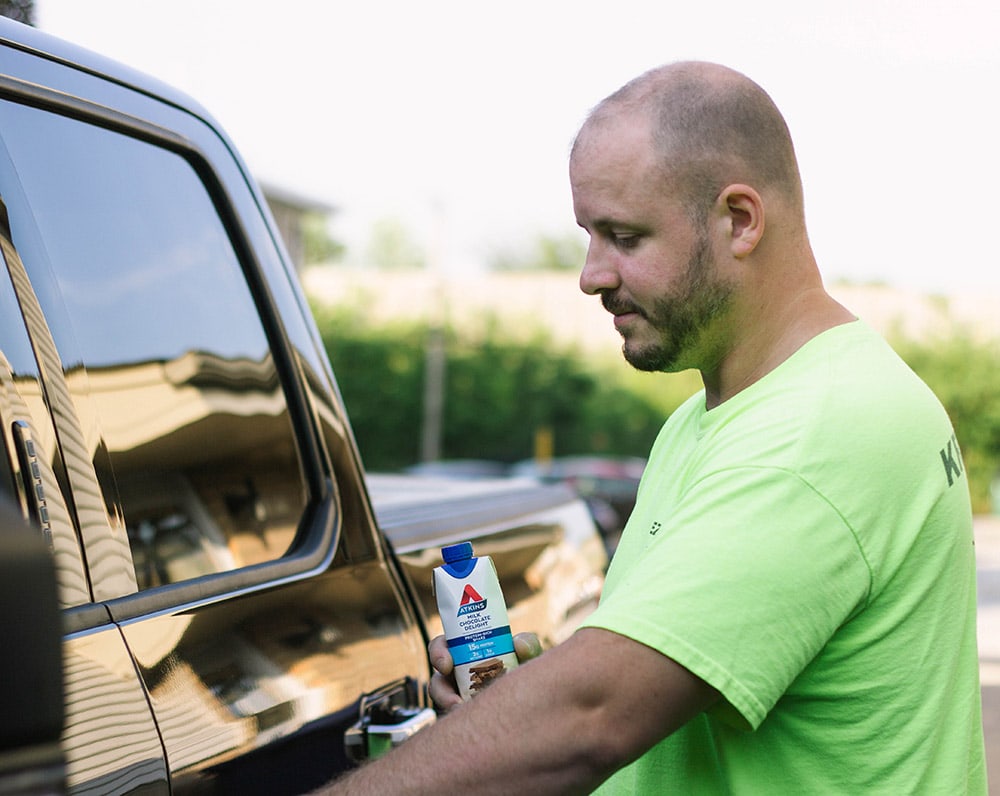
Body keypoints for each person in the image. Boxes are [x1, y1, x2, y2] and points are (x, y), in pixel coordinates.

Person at [321, 61, 987, 794]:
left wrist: (548, 716)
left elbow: (590, 718)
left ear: (739, 220)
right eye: (589, 234)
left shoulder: (822, 433)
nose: (590, 275)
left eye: (624, 236)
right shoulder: (708, 421)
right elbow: (658, 687)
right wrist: (525, 702)